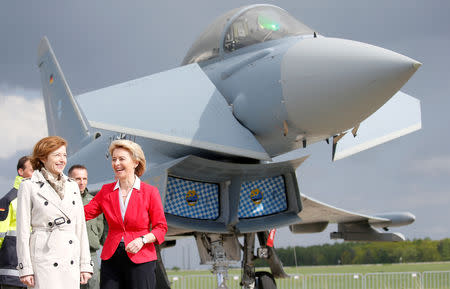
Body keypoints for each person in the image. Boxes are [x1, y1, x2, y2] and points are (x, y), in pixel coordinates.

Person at [84, 139, 167, 289]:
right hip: (112, 257)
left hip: (141, 257)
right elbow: (84, 213)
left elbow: (160, 228)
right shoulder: (106, 191)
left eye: (122, 159)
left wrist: (142, 240)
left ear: (135, 162)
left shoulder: (150, 192)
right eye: (114, 159)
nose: (116, 163)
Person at [16, 136, 93, 289]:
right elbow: (23, 231)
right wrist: (25, 268)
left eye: (64, 155)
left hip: (70, 257)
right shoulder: (29, 186)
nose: (62, 160)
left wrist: (85, 264)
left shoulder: (72, 186)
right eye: (57, 155)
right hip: (43, 258)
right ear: (43, 157)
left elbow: (80, 227)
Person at [68, 165, 104, 289]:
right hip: (68, 255)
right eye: (78, 179)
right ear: (70, 179)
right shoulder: (62, 201)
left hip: (91, 255)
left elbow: (100, 229)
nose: (82, 183)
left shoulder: (94, 202)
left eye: (85, 179)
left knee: (93, 285)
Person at [0, 156, 33, 289]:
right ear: (21, 172)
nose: (35, 174)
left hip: (34, 268)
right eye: (32, 170)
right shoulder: (9, 200)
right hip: (12, 269)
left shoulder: (39, 198)